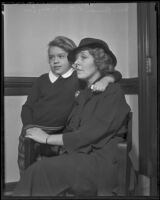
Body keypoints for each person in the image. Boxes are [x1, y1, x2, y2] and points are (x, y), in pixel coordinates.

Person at [13, 37, 130, 197]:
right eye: (75, 59)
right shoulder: (83, 93)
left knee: (40, 170)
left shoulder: (112, 92)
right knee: (38, 170)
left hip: (101, 161)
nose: (75, 63)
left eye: (83, 57)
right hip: (79, 154)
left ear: (99, 62)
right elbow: (72, 128)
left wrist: (47, 138)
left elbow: (89, 134)